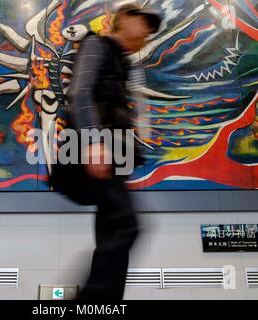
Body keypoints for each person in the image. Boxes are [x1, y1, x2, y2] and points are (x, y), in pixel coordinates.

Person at [66, 3, 161, 300]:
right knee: (125, 226)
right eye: (144, 22)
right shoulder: (97, 44)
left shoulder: (123, 64)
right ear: (124, 19)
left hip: (112, 157)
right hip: (95, 149)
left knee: (114, 234)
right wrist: (93, 143)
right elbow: (80, 91)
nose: (148, 31)